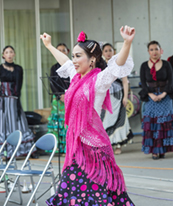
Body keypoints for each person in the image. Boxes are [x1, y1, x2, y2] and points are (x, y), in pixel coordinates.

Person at [41, 27, 135, 206]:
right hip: (76, 146)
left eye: (78, 56)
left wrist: (127, 43)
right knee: (73, 195)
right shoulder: (75, 77)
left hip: (94, 149)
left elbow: (116, 67)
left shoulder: (99, 81)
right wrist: (49, 45)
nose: (74, 60)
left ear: (92, 60)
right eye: (74, 55)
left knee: (97, 197)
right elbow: (65, 62)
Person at [139, 41, 173, 160]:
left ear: (160, 50)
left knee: (164, 123)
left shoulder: (166, 64)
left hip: (165, 96)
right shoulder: (144, 65)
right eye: (151, 49)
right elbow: (143, 82)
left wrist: (164, 94)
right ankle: (154, 151)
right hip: (150, 97)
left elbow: (171, 80)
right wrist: (150, 94)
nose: (154, 52)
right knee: (152, 124)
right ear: (148, 51)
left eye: (156, 49)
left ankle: (163, 149)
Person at [0, 46, 36, 158]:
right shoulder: (0, 68)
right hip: (2, 101)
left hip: (15, 100)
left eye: (11, 52)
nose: (9, 54)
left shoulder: (18, 69)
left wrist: (16, 101)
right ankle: (4, 152)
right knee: (4, 125)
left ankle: (20, 151)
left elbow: (19, 86)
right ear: (3, 55)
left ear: (14, 54)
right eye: (7, 52)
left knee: (18, 122)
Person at [101, 43, 134, 155]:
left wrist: (125, 97)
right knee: (105, 121)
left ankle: (118, 145)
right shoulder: (100, 65)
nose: (108, 52)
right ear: (102, 53)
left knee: (119, 119)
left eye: (110, 50)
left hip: (117, 96)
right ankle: (107, 145)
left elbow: (125, 82)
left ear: (114, 51)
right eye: (106, 51)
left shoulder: (120, 64)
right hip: (104, 97)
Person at [47, 43, 70, 155]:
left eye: (63, 50)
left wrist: (68, 95)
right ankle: (58, 148)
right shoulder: (53, 68)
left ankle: (68, 148)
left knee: (68, 123)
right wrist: (60, 95)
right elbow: (52, 83)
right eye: (59, 50)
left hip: (70, 98)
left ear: (67, 52)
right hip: (58, 99)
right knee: (58, 122)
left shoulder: (72, 66)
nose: (61, 52)